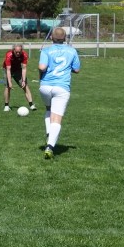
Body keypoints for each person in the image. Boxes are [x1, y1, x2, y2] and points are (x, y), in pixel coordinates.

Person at [39, 27, 81, 160]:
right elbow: (77, 69)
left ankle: (49, 133)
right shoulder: (72, 50)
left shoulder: (46, 50)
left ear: (51, 37)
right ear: (65, 38)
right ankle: (50, 147)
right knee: (56, 117)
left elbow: (42, 67)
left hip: (45, 86)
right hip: (61, 87)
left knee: (48, 109)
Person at [3, 43, 37, 113]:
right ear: (13, 50)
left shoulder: (24, 55)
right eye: (16, 52)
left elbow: (24, 68)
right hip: (8, 69)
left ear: (22, 50)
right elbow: (8, 70)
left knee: (25, 86)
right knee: (7, 87)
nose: (18, 53)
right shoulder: (9, 55)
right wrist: (10, 82)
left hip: (18, 70)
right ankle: (6, 106)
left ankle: (31, 105)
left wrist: (23, 80)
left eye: (19, 52)